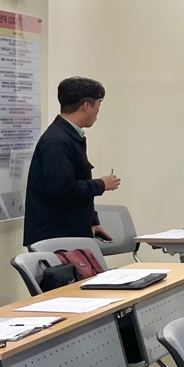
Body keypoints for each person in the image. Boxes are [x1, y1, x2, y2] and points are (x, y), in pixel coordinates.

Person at [23, 76, 121, 246]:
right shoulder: (57, 141)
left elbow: (78, 180)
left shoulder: (71, 135)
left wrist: (92, 221)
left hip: (70, 231)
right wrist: (101, 184)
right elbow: (62, 188)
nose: (98, 111)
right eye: (99, 104)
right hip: (55, 237)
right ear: (87, 106)